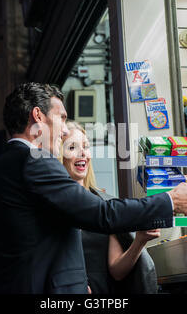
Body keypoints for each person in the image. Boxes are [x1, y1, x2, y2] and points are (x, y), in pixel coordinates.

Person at [0, 82, 187, 294]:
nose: (63, 131)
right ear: (38, 116)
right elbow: (101, 214)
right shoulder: (35, 160)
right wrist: (170, 200)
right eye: (61, 117)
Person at [60, 121, 160, 294]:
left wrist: (139, 241)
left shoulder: (104, 204)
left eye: (86, 146)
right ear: (59, 156)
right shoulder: (52, 207)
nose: (83, 153)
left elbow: (117, 271)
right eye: (72, 148)